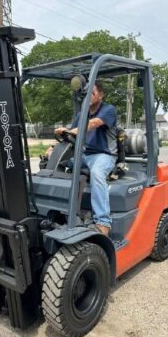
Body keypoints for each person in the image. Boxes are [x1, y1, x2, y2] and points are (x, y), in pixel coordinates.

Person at [54, 81, 117, 236]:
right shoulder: (82, 114)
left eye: (92, 93)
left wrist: (71, 131)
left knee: (96, 172)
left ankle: (103, 222)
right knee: (55, 162)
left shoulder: (108, 110)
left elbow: (92, 124)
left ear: (101, 95)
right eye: (85, 94)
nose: (88, 97)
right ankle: (60, 210)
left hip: (103, 155)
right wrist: (60, 135)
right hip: (84, 155)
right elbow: (71, 132)